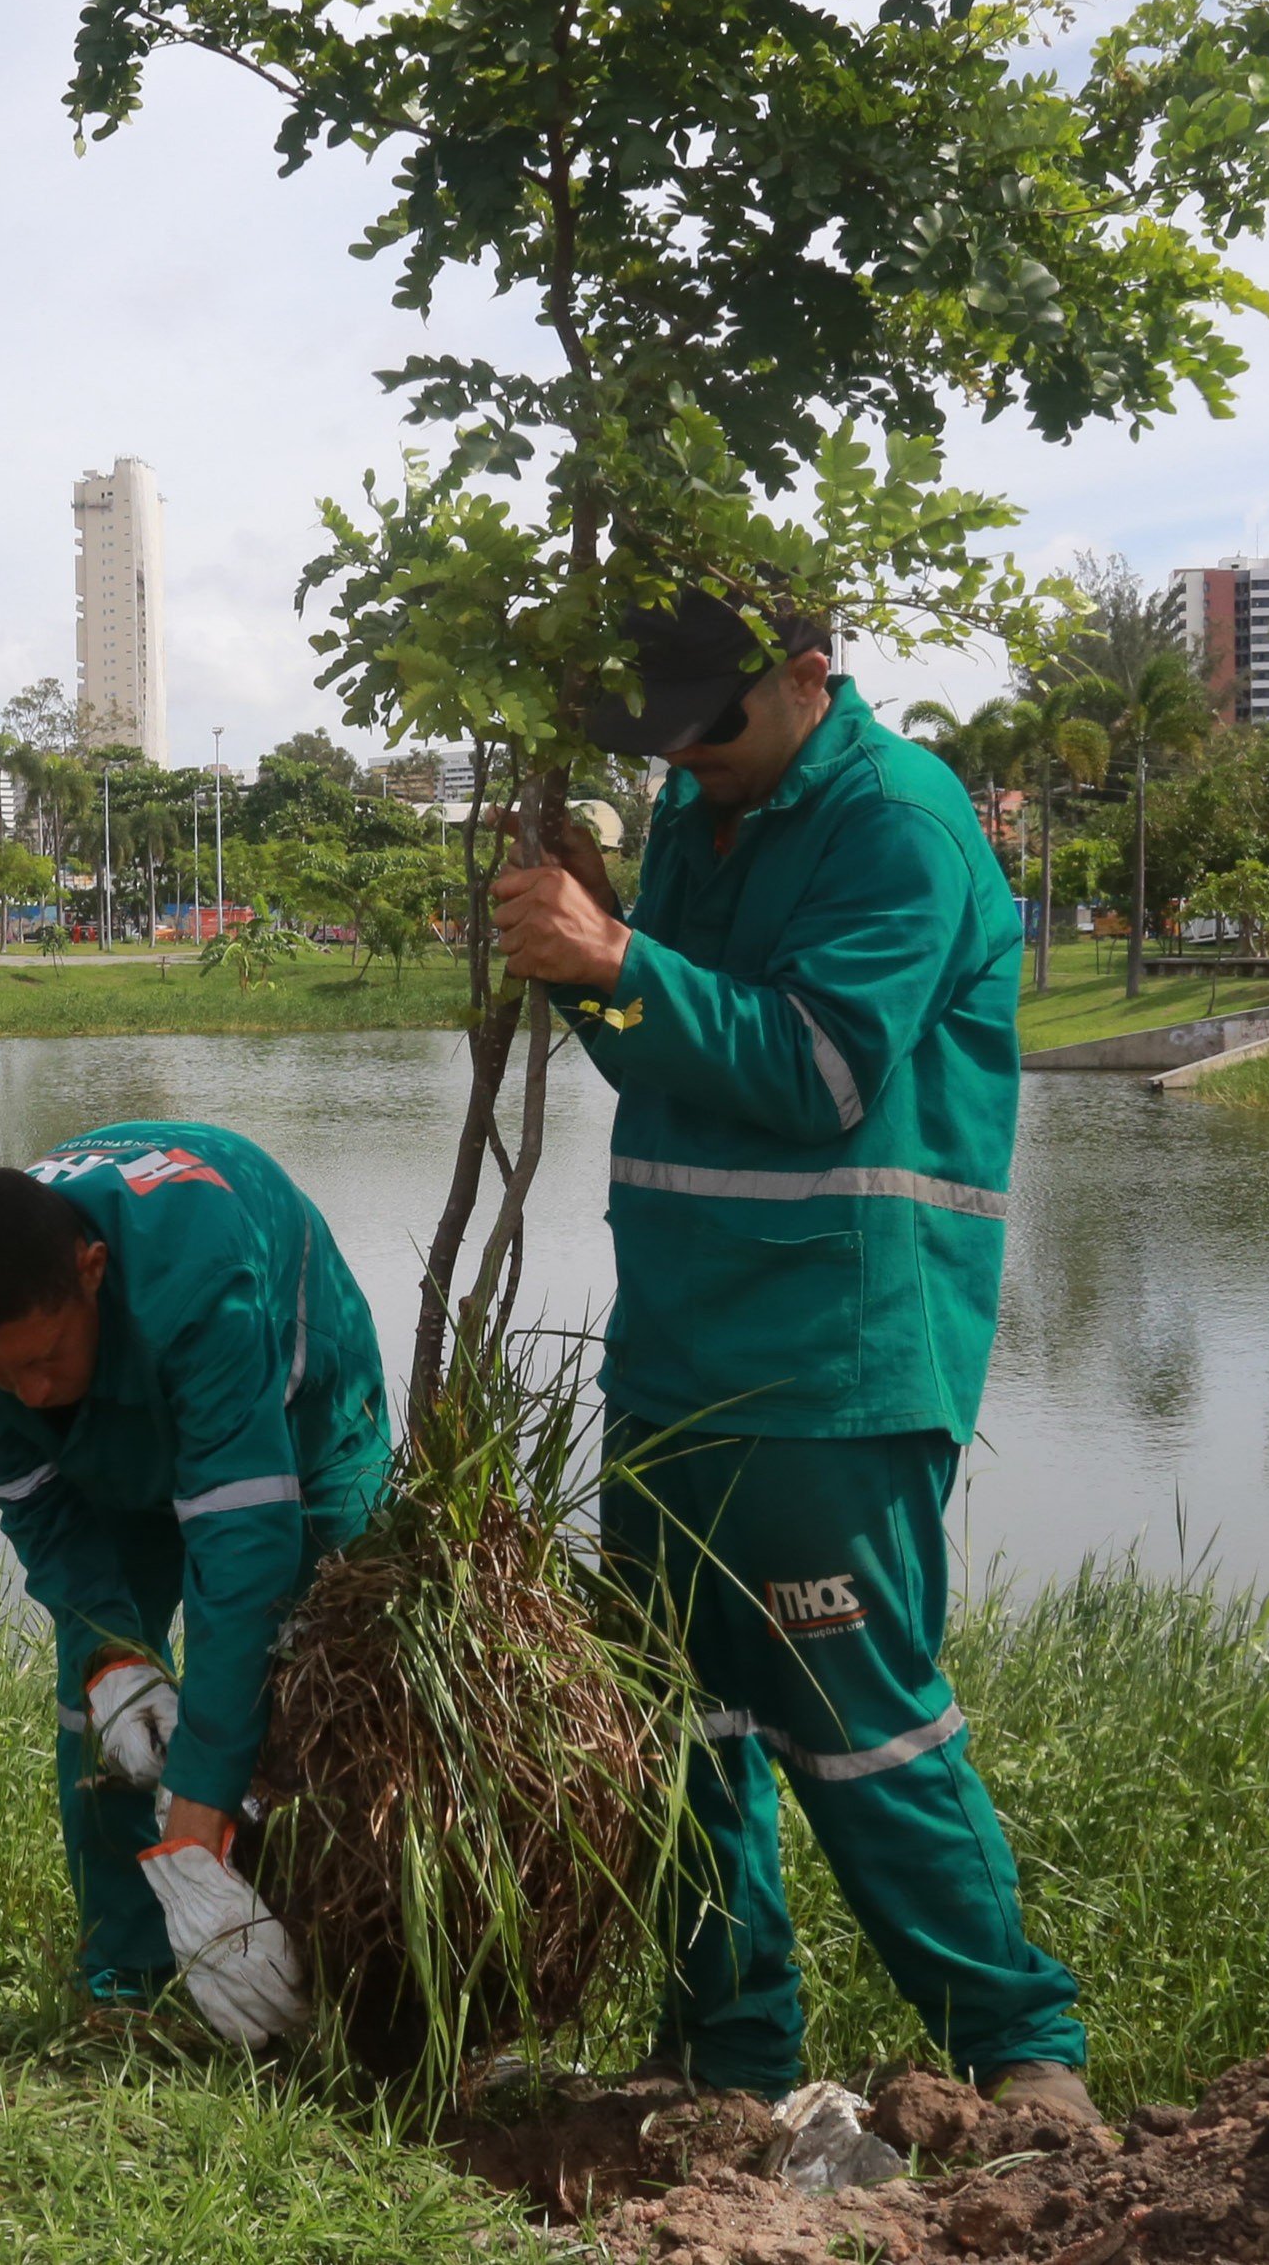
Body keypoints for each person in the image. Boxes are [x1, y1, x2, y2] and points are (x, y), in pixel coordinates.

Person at [486, 587, 1096, 2126]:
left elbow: (817, 1069)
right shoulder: (708, 810)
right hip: (678, 1349)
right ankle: (725, 2061)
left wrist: (612, 948)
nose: (688, 757)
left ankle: (1023, 2059)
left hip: (837, 1353)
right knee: (680, 1722)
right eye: (668, 734)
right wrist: (592, 957)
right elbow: (659, 1043)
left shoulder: (902, 823)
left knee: (863, 1724)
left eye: (716, 723)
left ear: (811, 676)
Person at [0, 1121, 392, 2047]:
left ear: (90, 1271)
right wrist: (108, 1656)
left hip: (296, 1421)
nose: (30, 1393)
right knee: (104, 1717)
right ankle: (127, 1985)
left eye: (44, 1357)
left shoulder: (200, 1282)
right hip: (113, 1445)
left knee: (319, 1677)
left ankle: (345, 1982)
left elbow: (241, 1558)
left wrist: (197, 1817)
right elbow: (42, 1514)